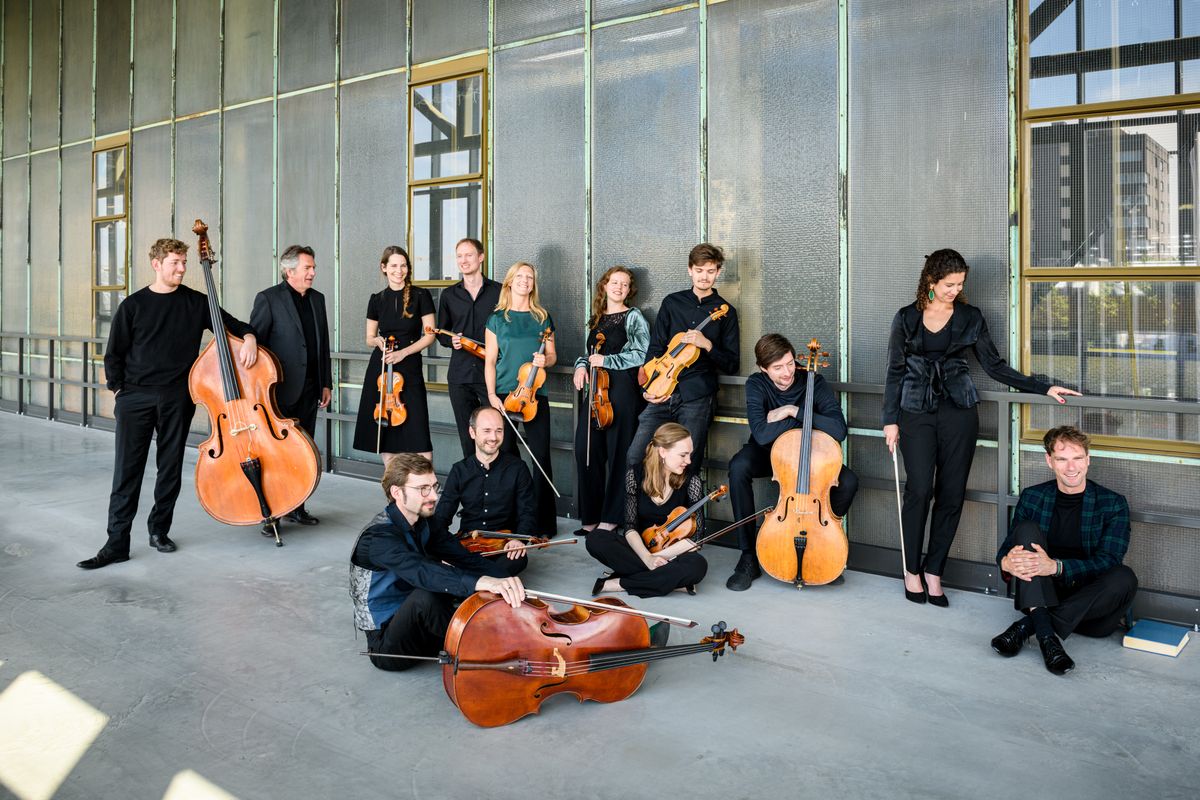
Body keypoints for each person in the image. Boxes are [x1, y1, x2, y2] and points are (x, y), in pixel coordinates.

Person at [882, 249, 1080, 606]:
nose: (954, 290)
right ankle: (911, 570)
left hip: (959, 411)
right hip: (914, 412)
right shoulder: (906, 318)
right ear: (930, 281)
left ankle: (933, 571)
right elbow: (894, 371)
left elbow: (995, 366)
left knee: (952, 493)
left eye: (960, 284)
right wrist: (889, 420)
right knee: (919, 490)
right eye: (948, 284)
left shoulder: (971, 317)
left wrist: (1043, 387)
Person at [78, 238, 259, 570]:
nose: (181, 268)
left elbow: (235, 326)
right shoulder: (132, 306)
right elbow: (113, 354)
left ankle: (159, 531)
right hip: (135, 397)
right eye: (175, 262)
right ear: (157, 264)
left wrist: (249, 337)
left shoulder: (196, 302)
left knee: (170, 468)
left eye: (184, 263)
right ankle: (116, 543)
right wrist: (119, 392)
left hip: (178, 397)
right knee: (126, 471)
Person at [350, 453, 525, 671]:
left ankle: (500, 635)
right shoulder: (378, 538)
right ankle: (492, 651)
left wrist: (509, 584)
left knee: (501, 568)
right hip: (389, 646)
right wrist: (483, 583)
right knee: (428, 594)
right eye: (423, 489)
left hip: (424, 626)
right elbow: (423, 572)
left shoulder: (425, 522)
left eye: (434, 486)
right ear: (397, 492)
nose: (433, 496)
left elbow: (465, 559)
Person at [990, 426, 1137, 675]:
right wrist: (1006, 562)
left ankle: (1030, 627)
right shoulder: (1033, 497)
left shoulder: (1113, 503)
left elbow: (1109, 560)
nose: (1071, 468)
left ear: (1088, 460)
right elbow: (1006, 550)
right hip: (1044, 594)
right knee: (1026, 530)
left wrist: (1056, 566)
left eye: (1077, 458)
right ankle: (1049, 640)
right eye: (1062, 459)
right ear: (1050, 461)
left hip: (1091, 609)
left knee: (1124, 577)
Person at [725, 334, 859, 591]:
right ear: (764, 369)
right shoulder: (756, 384)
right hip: (770, 455)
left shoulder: (813, 381)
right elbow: (762, 434)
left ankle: (824, 540)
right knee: (738, 467)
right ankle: (748, 556)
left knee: (849, 481)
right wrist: (806, 422)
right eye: (777, 368)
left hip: (811, 458)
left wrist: (793, 411)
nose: (787, 373)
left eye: (789, 364)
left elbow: (838, 430)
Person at [628, 243, 739, 474]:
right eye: (699, 270)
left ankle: (685, 511)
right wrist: (648, 386)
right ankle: (637, 510)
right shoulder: (672, 302)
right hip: (662, 392)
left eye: (710, 271)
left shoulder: (726, 311)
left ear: (718, 272)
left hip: (697, 397)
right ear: (690, 270)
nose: (704, 277)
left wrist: (707, 344)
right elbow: (656, 347)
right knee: (636, 457)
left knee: (687, 464)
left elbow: (732, 364)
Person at [249, 244, 332, 530]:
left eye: (313, 267)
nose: (313, 272)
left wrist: (326, 383)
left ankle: (297, 507)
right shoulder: (269, 299)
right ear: (289, 270)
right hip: (278, 391)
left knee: (303, 452)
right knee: (274, 454)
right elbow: (255, 345)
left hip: (310, 389)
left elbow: (323, 345)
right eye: (307, 268)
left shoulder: (318, 299)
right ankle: (269, 513)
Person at [586, 423, 708, 598]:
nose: (688, 461)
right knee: (595, 538)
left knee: (697, 565)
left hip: (671, 554)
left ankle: (620, 583)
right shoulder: (635, 475)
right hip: (638, 548)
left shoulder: (692, 482)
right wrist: (646, 558)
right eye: (683, 455)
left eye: (690, 454)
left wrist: (658, 557)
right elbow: (630, 527)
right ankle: (672, 583)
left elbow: (697, 540)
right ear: (663, 452)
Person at [572, 266, 648, 538]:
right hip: (596, 393)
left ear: (629, 290)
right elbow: (588, 353)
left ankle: (613, 517)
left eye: (624, 284)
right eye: (614, 282)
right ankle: (591, 515)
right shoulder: (596, 319)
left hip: (623, 392)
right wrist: (581, 366)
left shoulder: (633, 316)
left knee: (619, 455)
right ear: (604, 286)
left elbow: (642, 353)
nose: (619, 287)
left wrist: (608, 361)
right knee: (586, 451)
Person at [484, 261, 558, 535]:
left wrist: (545, 359)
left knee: (540, 457)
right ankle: (510, 518)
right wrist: (492, 395)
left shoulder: (542, 317)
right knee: (507, 457)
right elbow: (490, 361)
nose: (525, 281)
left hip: (536, 396)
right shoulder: (496, 319)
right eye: (520, 276)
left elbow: (552, 356)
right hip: (504, 393)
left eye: (529, 277)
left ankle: (543, 523)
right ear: (510, 282)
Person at [352, 246, 436, 465]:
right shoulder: (377, 299)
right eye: (394, 266)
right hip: (381, 368)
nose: (399, 271)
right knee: (385, 430)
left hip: (409, 365)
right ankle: (392, 491)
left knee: (418, 430)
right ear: (384, 268)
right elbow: (369, 337)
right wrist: (376, 341)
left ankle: (426, 483)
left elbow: (429, 336)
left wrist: (404, 353)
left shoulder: (421, 295)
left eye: (403, 265)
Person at [433, 406, 534, 578]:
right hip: (468, 543)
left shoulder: (518, 468)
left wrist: (519, 539)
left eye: (498, 431)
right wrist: (442, 548)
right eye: (486, 430)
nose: (493, 438)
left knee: (517, 560)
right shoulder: (459, 470)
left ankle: (467, 582)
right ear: (472, 432)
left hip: (504, 545)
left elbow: (528, 511)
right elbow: (443, 515)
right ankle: (488, 584)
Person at [436, 238, 502, 458]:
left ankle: (499, 487)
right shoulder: (448, 295)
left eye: (469, 255)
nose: (463, 260)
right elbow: (442, 332)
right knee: (468, 436)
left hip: (492, 375)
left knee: (498, 436)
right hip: (460, 375)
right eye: (459, 256)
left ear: (481, 257)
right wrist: (450, 340)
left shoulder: (499, 292)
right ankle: (473, 487)